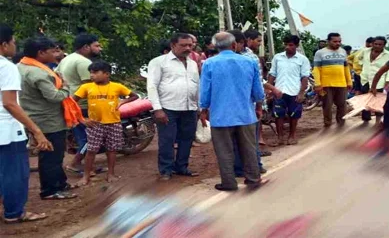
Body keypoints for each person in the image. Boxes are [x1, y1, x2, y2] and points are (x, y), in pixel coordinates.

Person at [199, 32, 268, 191]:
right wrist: (258, 106)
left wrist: (203, 110)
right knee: (249, 148)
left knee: (224, 151)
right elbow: (258, 90)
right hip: (245, 114)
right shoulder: (249, 62)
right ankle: (253, 178)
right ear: (234, 45)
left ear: (216, 47)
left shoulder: (209, 64)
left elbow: (205, 91)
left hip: (220, 116)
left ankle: (229, 182)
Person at [18, 37, 79, 200]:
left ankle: (60, 183)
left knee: (54, 154)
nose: (57, 54)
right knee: (52, 156)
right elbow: (54, 96)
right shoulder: (37, 72)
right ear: (41, 53)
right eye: (53, 51)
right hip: (49, 120)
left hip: (36, 116)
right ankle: (50, 190)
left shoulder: (22, 66)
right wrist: (66, 87)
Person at [0, 24, 51, 223]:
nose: (14, 45)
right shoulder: (6, 67)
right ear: (4, 44)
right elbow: (10, 104)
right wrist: (36, 131)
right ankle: (14, 212)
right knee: (15, 174)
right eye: (13, 41)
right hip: (7, 130)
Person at [74, 61, 138, 186]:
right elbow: (72, 102)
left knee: (112, 150)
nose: (92, 75)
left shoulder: (117, 86)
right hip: (94, 124)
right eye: (91, 73)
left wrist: (122, 102)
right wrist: (82, 119)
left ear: (107, 74)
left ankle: (111, 174)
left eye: (95, 72)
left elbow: (134, 96)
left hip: (114, 123)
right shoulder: (86, 87)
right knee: (91, 150)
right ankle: (86, 176)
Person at [147, 33, 200, 181]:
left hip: (189, 108)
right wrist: (157, 109)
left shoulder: (193, 63)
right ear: (173, 46)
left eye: (190, 45)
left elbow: (197, 85)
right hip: (167, 108)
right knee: (167, 140)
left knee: (187, 139)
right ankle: (166, 170)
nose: (187, 48)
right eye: (183, 45)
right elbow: (152, 86)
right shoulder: (159, 62)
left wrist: (199, 107)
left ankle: (182, 167)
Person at [57, 33, 102, 174]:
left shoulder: (67, 59)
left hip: (70, 102)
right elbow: (89, 86)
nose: (100, 49)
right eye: (97, 45)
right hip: (82, 105)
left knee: (84, 136)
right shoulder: (84, 63)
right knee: (91, 137)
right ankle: (75, 163)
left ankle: (89, 166)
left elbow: (57, 77)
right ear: (86, 47)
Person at [232, 29, 270, 175]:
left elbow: (257, 83)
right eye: (258, 40)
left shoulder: (250, 58)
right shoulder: (226, 58)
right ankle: (240, 168)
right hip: (236, 104)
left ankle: (255, 166)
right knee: (236, 139)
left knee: (250, 138)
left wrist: (259, 104)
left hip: (250, 104)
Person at [268, 35, 311, 145]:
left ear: (296, 46)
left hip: (294, 91)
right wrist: (269, 89)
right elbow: (272, 73)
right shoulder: (277, 57)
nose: (287, 47)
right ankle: (280, 138)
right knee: (278, 115)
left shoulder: (303, 60)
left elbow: (304, 77)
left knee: (294, 114)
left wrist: (301, 93)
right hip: (279, 90)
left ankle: (292, 136)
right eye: (285, 44)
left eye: (290, 45)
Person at [313, 33, 352, 127]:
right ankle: (327, 124)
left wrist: (349, 81)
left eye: (339, 41)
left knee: (342, 105)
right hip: (326, 84)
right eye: (335, 41)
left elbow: (346, 68)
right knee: (327, 105)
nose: (337, 43)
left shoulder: (343, 51)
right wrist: (318, 84)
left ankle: (341, 124)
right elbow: (316, 69)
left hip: (341, 84)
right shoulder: (320, 53)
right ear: (328, 41)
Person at [359, 36, 389, 126]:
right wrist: (360, 69)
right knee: (365, 100)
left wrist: (388, 80)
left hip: (380, 81)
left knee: (378, 101)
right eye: (375, 44)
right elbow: (357, 59)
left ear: (384, 45)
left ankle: (378, 121)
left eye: (380, 44)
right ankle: (365, 120)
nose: (377, 46)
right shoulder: (364, 51)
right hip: (365, 79)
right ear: (372, 44)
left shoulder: (388, 55)